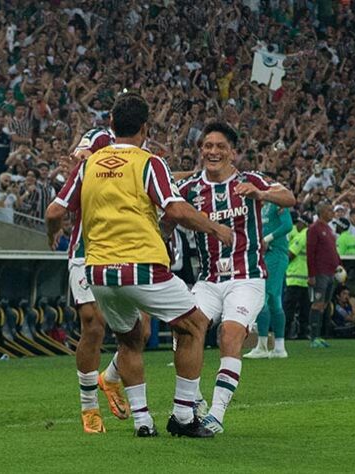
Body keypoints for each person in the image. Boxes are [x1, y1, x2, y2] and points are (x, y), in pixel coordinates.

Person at [46, 93, 232, 438]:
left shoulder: (89, 165)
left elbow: (54, 212)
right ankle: (183, 415)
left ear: (111, 126)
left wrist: (53, 234)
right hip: (142, 267)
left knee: (129, 340)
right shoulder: (149, 162)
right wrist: (216, 227)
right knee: (193, 325)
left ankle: (143, 421)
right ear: (145, 128)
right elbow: (175, 210)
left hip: (98, 271)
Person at [176, 120, 296, 432]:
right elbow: (163, 190)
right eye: (208, 146)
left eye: (220, 147)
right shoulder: (192, 189)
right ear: (201, 150)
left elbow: (289, 197)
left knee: (229, 334)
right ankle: (195, 398)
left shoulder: (250, 180)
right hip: (209, 279)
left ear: (233, 153)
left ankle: (215, 415)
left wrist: (261, 194)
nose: (213, 151)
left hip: (247, 277)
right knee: (185, 331)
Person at [45, 127, 129, 434]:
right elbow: (55, 210)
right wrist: (52, 232)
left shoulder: (137, 162)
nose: (77, 156)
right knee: (93, 324)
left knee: (141, 329)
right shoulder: (88, 164)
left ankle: (112, 378)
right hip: (86, 252)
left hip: (126, 251)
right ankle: (89, 406)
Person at [245, 193, 293, 359]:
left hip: (276, 254)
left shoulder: (277, 204)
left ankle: (262, 346)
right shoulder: (261, 207)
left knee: (262, 296)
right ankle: (279, 347)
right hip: (267, 255)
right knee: (274, 301)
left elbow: (287, 225)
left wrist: (268, 238)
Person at [307, 203, 342, 348]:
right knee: (318, 303)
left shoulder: (329, 229)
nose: (332, 213)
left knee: (325, 305)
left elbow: (333, 250)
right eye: (329, 210)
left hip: (331, 272)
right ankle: (313, 337)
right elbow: (311, 252)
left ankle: (319, 335)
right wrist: (311, 275)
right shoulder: (314, 229)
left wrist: (339, 265)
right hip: (320, 272)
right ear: (321, 212)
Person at [283, 213, 311, 340]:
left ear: (303, 223)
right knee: (304, 308)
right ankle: (303, 333)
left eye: (298, 222)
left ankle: (285, 333)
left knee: (289, 308)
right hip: (304, 278)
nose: (297, 225)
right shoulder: (309, 234)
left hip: (294, 277)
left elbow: (291, 254)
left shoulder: (302, 235)